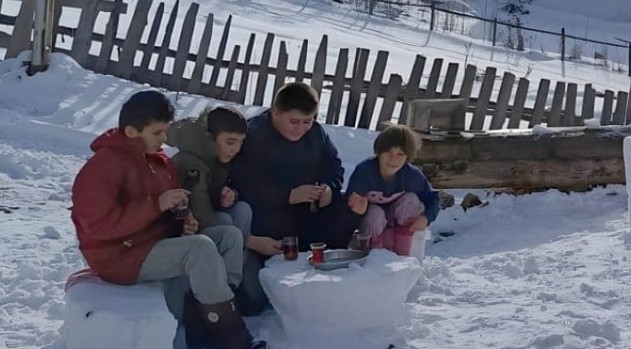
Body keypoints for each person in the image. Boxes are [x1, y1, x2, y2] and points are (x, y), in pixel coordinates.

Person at [71, 90, 265, 349]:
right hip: (119, 256)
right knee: (200, 248)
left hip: (154, 243)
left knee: (229, 236)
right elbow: (98, 227)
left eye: (165, 132)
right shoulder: (102, 167)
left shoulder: (158, 161)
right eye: (157, 133)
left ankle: (209, 319)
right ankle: (234, 339)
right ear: (131, 132)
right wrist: (156, 205)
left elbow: (171, 208)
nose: (164, 140)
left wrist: (184, 221)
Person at [227, 81, 357, 314]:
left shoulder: (316, 133)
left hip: (307, 218)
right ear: (275, 113)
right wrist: (286, 195)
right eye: (294, 122)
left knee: (347, 205)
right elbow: (241, 185)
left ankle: (327, 267)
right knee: (255, 301)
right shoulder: (253, 135)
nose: (301, 129)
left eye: (307, 122)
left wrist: (329, 188)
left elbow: (335, 167)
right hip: (266, 225)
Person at [166, 106, 281, 257]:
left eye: (240, 142)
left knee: (242, 209)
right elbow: (202, 215)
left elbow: (215, 192)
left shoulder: (217, 154)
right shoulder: (191, 163)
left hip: (206, 216)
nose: (236, 149)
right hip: (184, 226)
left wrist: (228, 194)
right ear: (211, 138)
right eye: (231, 142)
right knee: (225, 221)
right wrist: (251, 241)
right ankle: (228, 276)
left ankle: (238, 265)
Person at [345, 125, 441, 256]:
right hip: (372, 227)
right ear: (378, 152)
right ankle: (374, 258)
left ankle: (403, 258)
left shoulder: (411, 175)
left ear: (407, 156)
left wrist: (425, 218)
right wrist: (358, 211)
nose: (393, 159)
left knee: (411, 200)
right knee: (375, 214)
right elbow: (347, 205)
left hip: (397, 225)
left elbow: (432, 198)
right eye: (388, 153)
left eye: (400, 154)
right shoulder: (364, 172)